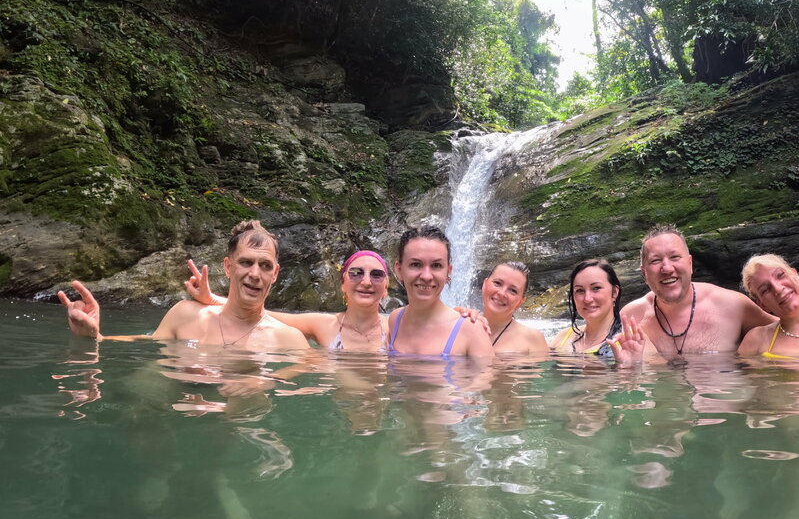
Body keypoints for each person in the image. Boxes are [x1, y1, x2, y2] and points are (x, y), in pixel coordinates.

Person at [621, 224, 799, 359]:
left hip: (721, 414)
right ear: (643, 272)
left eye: (674, 258)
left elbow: (792, 316)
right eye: (655, 261)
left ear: (690, 262)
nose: (667, 268)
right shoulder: (630, 317)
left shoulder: (733, 305)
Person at [58, 220, 309, 351]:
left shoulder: (289, 339)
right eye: (246, 262)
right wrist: (94, 336)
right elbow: (147, 343)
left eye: (265, 266)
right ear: (228, 266)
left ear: (275, 274)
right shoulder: (186, 314)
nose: (255, 274)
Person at [185, 249, 390, 352]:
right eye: (356, 273)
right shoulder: (324, 324)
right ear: (343, 282)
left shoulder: (397, 325)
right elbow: (265, 316)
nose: (366, 282)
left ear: (386, 287)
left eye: (377, 275)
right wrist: (211, 299)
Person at [388, 226, 494, 359]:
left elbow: (488, 379)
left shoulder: (471, 330)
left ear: (448, 271)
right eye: (415, 264)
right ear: (399, 269)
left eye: (436, 266)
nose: (426, 276)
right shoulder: (395, 320)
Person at [549, 258, 625, 357]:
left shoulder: (631, 340)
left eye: (596, 288)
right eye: (580, 290)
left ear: (614, 292)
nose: (587, 299)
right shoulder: (563, 338)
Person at [479, 262, 550, 357]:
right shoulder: (463, 326)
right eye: (497, 283)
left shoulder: (532, 338)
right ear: (484, 285)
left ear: (520, 302)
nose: (502, 293)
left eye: (513, 290)